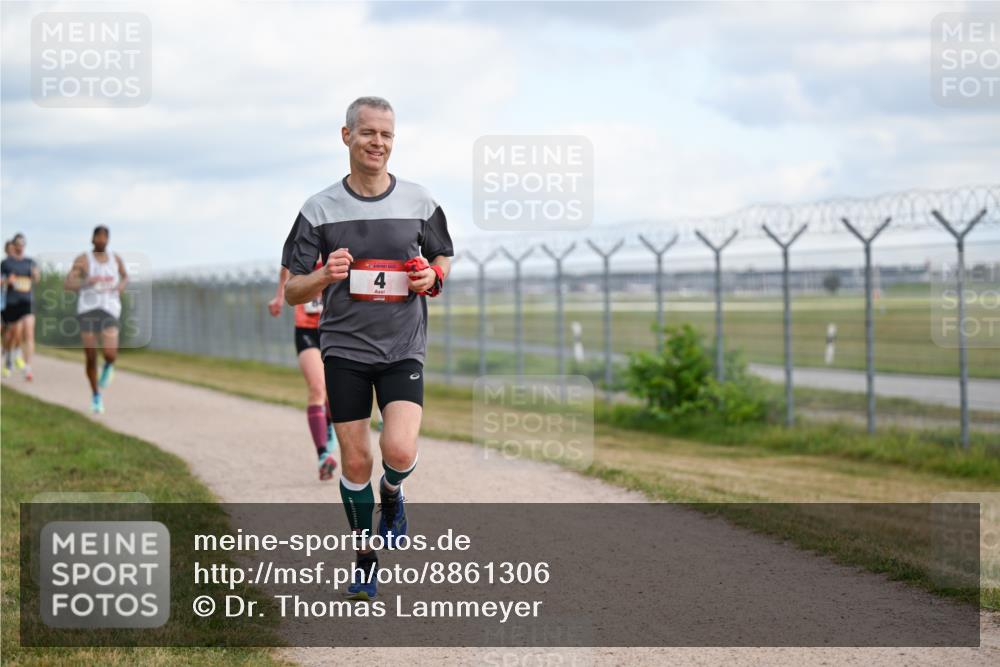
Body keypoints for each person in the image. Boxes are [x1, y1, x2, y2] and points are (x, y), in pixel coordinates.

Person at [282, 96, 452, 600]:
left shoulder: (421, 201)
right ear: (346, 136)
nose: (378, 143)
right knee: (355, 462)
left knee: (397, 450)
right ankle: (363, 557)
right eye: (368, 133)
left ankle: (393, 493)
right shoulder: (319, 209)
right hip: (345, 350)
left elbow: (441, 256)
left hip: (403, 346)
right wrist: (322, 275)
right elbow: (292, 290)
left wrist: (432, 276)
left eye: (387, 135)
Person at [268, 265, 339, 480]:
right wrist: (279, 296)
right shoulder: (304, 241)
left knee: (334, 392)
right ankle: (322, 455)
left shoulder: (339, 240)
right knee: (317, 387)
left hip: (336, 328)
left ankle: (328, 425)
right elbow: (285, 268)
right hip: (307, 329)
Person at [64, 226, 128, 414]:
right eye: (97, 237)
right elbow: (68, 283)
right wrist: (85, 282)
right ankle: (96, 396)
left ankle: (108, 365)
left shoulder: (115, 259)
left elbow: (125, 276)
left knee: (110, 353)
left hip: (109, 308)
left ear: (108, 240)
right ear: (92, 239)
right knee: (90, 355)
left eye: (104, 237)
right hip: (88, 309)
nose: (101, 240)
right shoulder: (83, 260)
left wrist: (121, 286)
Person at [1, 234, 39, 380]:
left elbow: (36, 278)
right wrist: (6, 281)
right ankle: (10, 359)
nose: (20, 246)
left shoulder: (30, 262)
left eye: (23, 243)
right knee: (14, 334)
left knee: (29, 333)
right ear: (14, 245)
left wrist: (35, 275)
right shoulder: (6, 263)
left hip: (27, 302)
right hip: (12, 303)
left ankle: (28, 368)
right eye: (18, 243)